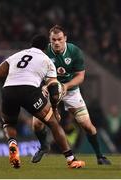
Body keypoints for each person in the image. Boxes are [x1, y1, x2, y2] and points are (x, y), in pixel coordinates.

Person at [0, 34, 85, 169]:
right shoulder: (47, 61)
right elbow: (53, 90)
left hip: (8, 91)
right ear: (46, 48)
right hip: (29, 91)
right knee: (53, 123)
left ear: (32, 45)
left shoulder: (16, 56)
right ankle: (71, 159)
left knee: (8, 123)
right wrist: (54, 109)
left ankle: (12, 144)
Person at [32, 25, 111, 165]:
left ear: (65, 39)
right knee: (37, 123)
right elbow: (35, 73)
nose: (56, 42)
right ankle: (44, 146)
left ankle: (100, 156)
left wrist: (66, 86)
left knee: (87, 125)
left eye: (60, 39)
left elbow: (80, 76)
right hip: (49, 90)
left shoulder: (74, 51)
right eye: (53, 40)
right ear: (50, 40)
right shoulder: (43, 52)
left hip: (71, 91)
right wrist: (42, 86)